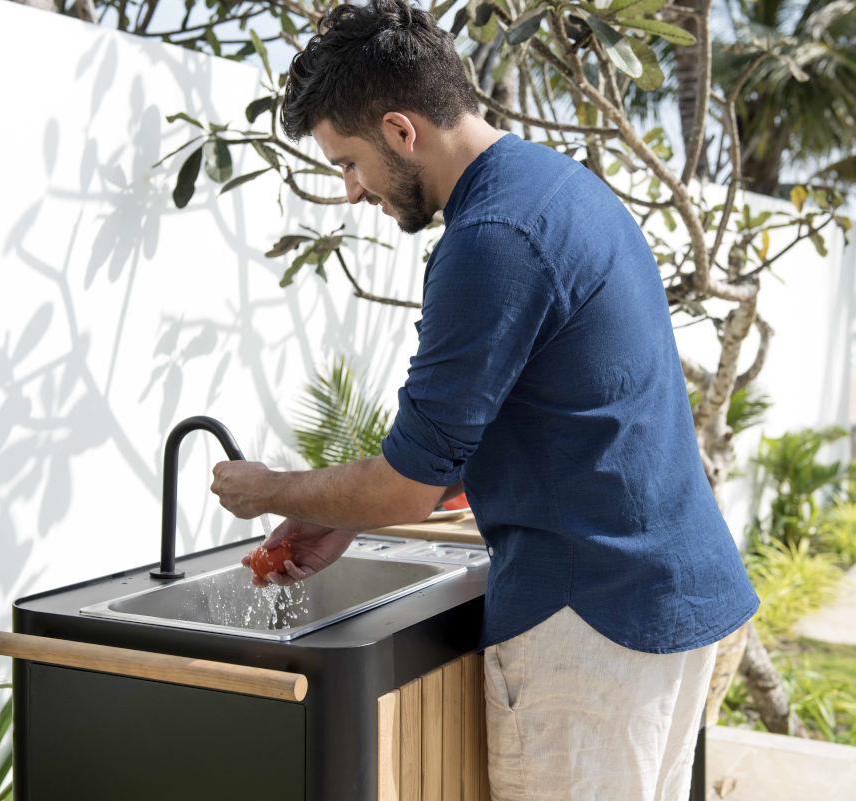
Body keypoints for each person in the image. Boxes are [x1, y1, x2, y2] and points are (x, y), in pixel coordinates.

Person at [210, 1, 759, 798]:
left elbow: (408, 481)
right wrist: (333, 510)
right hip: (664, 594)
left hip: (592, 620)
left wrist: (268, 491)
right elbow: (538, 417)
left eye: (348, 161)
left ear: (402, 131)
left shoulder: (491, 238)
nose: (354, 191)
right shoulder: (557, 185)